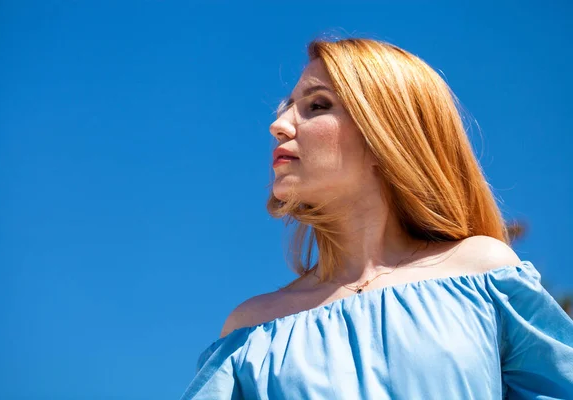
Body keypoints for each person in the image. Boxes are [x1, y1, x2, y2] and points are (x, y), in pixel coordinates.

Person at [180, 38, 573, 399]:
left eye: (317, 105)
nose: (279, 125)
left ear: (385, 134)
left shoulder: (482, 274)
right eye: (286, 108)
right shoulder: (251, 330)